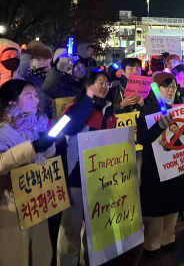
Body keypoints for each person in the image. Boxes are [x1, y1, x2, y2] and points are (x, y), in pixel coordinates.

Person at [57, 70, 116, 266]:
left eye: (107, 84)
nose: (103, 87)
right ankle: (67, 262)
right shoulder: (76, 107)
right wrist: (88, 99)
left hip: (99, 176)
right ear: (88, 84)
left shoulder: (109, 110)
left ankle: (91, 260)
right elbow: (69, 129)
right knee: (71, 228)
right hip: (75, 176)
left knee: (95, 225)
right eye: (99, 82)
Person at [0, 79, 56, 266]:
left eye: (35, 94)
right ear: (12, 102)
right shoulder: (3, 130)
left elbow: (47, 156)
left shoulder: (37, 123)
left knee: (41, 251)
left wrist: (46, 144)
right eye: (28, 95)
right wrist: (32, 147)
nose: (36, 100)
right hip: (11, 205)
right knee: (16, 254)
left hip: (37, 199)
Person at [136, 72, 184, 258]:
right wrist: (159, 126)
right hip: (155, 165)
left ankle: (168, 237)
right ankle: (152, 243)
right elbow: (142, 138)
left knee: (173, 199)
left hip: (175, 162)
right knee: (156, 204)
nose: (171, 89)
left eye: (173, 85)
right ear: (157, 88)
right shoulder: (148, 109)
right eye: (166, 86)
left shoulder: (179, 107)